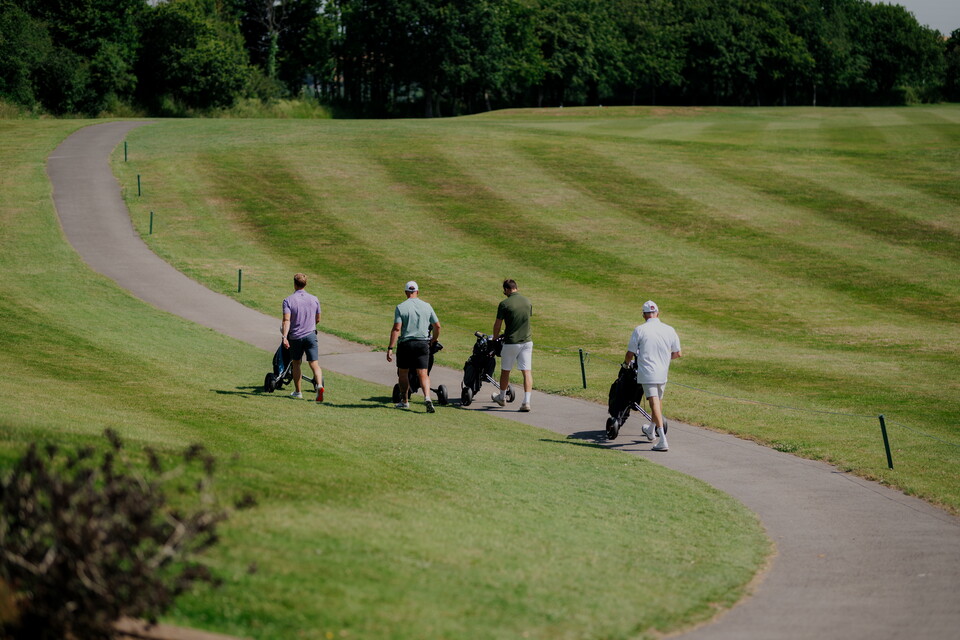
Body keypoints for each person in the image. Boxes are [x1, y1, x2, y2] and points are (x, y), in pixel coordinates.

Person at [624, 300, 681, 451]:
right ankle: (650, 430)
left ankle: (662, 439)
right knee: (658, 401)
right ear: (658, 314)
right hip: (663, 372)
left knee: (654, 402)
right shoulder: (669, 329)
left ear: (644, 315)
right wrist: (664, 360)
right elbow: (677, 353)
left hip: (648, 372)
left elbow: (630, 353)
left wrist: (626, 364)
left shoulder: (640, 330)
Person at [386, 281, 441, 412]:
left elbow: (396, 328)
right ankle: (427, 397)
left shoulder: (400, 307)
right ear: (417, 292)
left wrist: (390, 348)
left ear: (406, 292)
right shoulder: (427, 306)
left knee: (403, 372)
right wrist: (434, 339)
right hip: (422, 343)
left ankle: (404, 401)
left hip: (406, 343)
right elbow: (437, 326)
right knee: (423, 373)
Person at [491, 279, 534, 412]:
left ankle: (502, 397)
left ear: (506, 289)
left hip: (511, 342)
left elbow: (497, 325)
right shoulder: (527, 301)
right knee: (526, 371)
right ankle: (526, 401)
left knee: (506, 370)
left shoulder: (504, 304)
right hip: (527, 342)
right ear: (516, 287)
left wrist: (495, 338)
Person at [281, 273, 324, 402]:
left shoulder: (288, 300)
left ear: (294, 284)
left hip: (296, 336)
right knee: (314, 364)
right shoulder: (314, 299)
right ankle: (320, 385)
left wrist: (284, 336)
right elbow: (318, 319)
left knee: (296, 363)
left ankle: (298, 392)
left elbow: (286, 320)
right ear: (305, 284)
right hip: (311, 335)